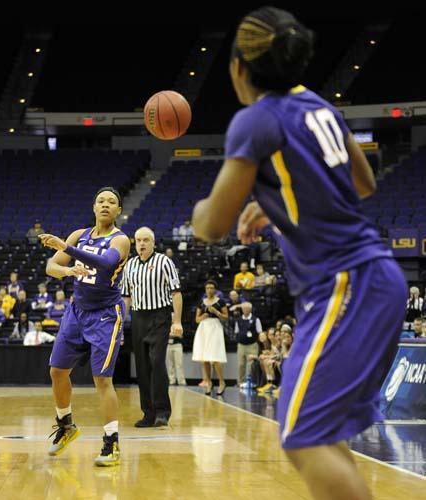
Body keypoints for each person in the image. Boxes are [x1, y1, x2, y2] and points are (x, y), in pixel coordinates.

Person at [191, 7, 406, 499]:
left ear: (239, 68)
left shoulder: (255, 121)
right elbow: (363, 182)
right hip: (364, 276)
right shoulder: (318, 105)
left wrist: (205, 206)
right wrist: (277, 208)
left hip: (347, 282)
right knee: (321, 433)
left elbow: (214, 225)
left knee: (301, 436)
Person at [39, 186, 130, 467]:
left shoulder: (121, 240)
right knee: (57, 371)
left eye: (111, 202)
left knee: (102, 379)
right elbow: (50, 267)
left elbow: (105, 264)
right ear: (93, 207)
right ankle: (66, 425)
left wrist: (67, 248)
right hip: (76, 311)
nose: (105, 205)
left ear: (118, 211)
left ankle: (111, 442)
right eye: (100, 200)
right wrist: (67, 269)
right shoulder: (80, 234)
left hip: (105, 314)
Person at [121, 226, 182, 427]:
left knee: (156, 362)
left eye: (146, 240)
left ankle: (162, 411)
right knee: (143, 367)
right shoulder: (129, 265)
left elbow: (176, 293)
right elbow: (126, 298)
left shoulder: (164, 262)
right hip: (138, 318)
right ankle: (148, 414)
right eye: (138, 240)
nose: (142, 244)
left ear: (153, 242)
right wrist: (120, 324)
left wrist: (177, 321)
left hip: (159, 316)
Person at [192, 280, 228, 395]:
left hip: (215, 328)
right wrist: (203, 316)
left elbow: (226, 317)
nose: (209, 290)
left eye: (212, 288)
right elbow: (196, 319)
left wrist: (216, 312)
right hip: (203, 328)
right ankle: (209, 382)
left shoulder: (221, 302)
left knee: (215, 357)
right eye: (207, 288)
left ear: (215, 290)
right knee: (205, 358)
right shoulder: (201, 302)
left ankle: (222, 382)